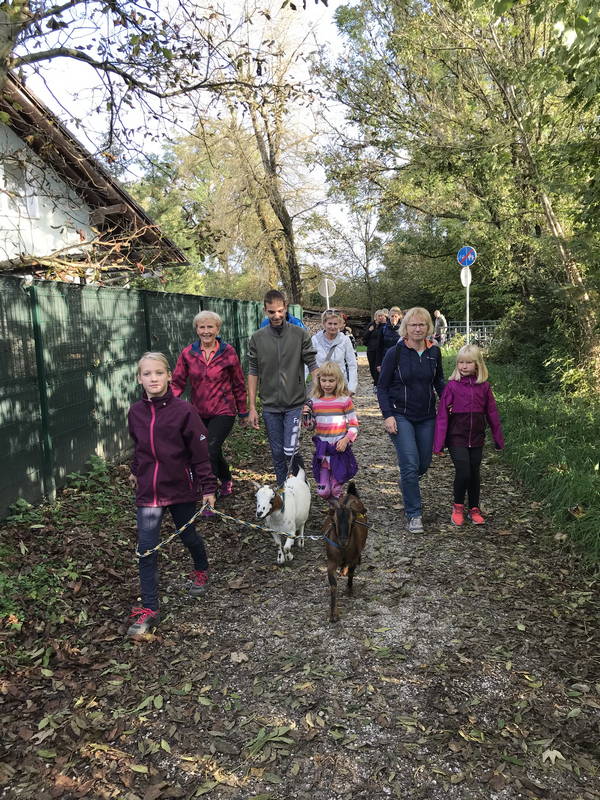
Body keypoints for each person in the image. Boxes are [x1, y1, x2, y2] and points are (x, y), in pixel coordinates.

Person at [126, 352, 217, 637]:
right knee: (146, 549)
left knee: (188, 536)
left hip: (179, 489)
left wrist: (208, 487)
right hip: (149, 493)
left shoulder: (184, 411)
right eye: (147, 374)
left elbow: (199, 453)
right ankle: (149, 608)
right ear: (139, 379)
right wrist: (135, 470)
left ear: (168, 376)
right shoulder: (135, 412)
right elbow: (140, 446)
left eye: (158, 373)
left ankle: (201, 568)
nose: (153, 378)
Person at [377, 307, 445, 534]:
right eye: (413, 325)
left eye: (422, 324)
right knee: (409, 464)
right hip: (400, 415)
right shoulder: (394, 353)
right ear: (406, 327)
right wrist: (387, 415)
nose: (417, 329)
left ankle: (408, 482)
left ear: (428, 327)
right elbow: (382, 387)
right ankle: (414, 513)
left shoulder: (434, 352)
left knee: (423, 464)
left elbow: (439, 382)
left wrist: (452, 401)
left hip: (427, 416)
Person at [171, 310, 248, 507]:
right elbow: (178, 382)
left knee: (209, 449)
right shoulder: (188, 353)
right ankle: (226, 477)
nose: (206, 331)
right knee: (209, 449)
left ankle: (209, 495)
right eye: (202, 327)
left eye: (210, 327)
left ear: (218, 329)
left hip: (224, 410)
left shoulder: (227, 352)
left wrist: (243, 411)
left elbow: (238, 383)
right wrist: (166, 404)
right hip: (198, 412)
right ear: (196, 330)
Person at [248, 290, 318, 486]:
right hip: (270, 405)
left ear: (286, 308)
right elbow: (253, 371)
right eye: (271, 312)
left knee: (290, 450)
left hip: (295, 403)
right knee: (277, 453)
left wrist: (316, 396)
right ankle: (283, 491)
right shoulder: (257, 338)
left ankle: (301, 487)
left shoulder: (299, 334)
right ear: (265, 311)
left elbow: (313, 365)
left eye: (280, 311)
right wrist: (252, 407)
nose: (276, 316)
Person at [433, 344, 504, 526]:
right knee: (463, 472)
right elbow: (442, 416)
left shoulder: (484, 387)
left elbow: (492, 414)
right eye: (461, 362)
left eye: (468, 363)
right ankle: (458, 506)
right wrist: (439, 443)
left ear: (478, 364)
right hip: (457, 437)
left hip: (477, 438)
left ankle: (474, 508)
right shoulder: (452, 387)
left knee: (474, 473)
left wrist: (498, 438)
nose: (464, 366)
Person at [308, 361, 359, 501]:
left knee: (336, 489)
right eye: (323, 380)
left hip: (339, 451)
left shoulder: (345, 401)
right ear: (318, 381)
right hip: (323, 452)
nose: (327, 384)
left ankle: (338, 510)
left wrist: (346, 439)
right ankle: (335, 505)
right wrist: (306, 416)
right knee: (323, 491)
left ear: (338, 381)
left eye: (331, 380)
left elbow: (354, 425)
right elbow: (310, 426)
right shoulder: (314, 401)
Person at [312, 310, 358, 395]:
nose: (332, 327)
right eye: (330, 324)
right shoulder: (315, 340)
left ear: (340, 324)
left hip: (340, 385)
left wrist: (351, 387)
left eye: (335, 324)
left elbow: (352, 364)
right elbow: (309, 364)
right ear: (324, 324)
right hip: (321, 385)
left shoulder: (345, 340)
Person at [363, 309, 387, 390]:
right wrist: (369, 331)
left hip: (381, 350)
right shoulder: (371, 325)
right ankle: (376, 382)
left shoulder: (385, 326)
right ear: (375, 317)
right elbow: (364, 337)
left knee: (380, 367)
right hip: (371, 350)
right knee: (372, 367)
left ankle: (379, 383)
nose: (380, 317)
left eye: (382, 316)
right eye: (379, 316)